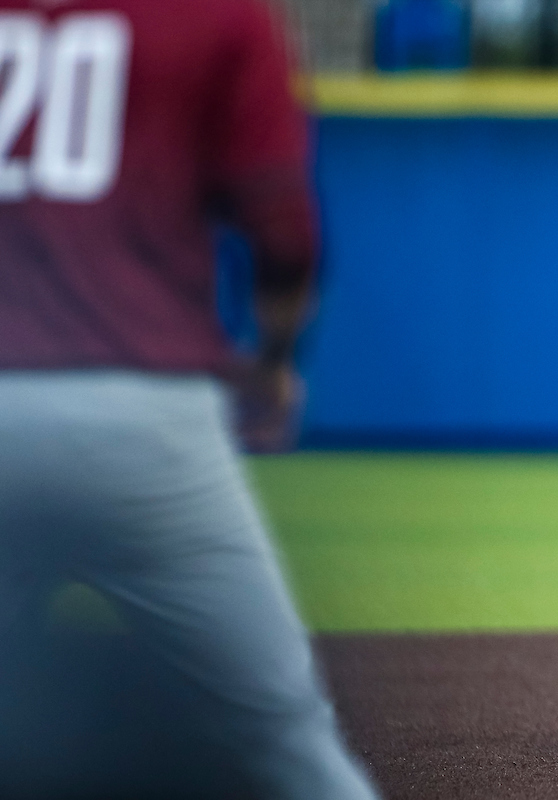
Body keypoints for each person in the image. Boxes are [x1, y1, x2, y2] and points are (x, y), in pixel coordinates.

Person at [0, 0, 378, 796]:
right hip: (143, 415)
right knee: (283, 739)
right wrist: (273, 361)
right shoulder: (214, 14)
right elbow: (284, 232)